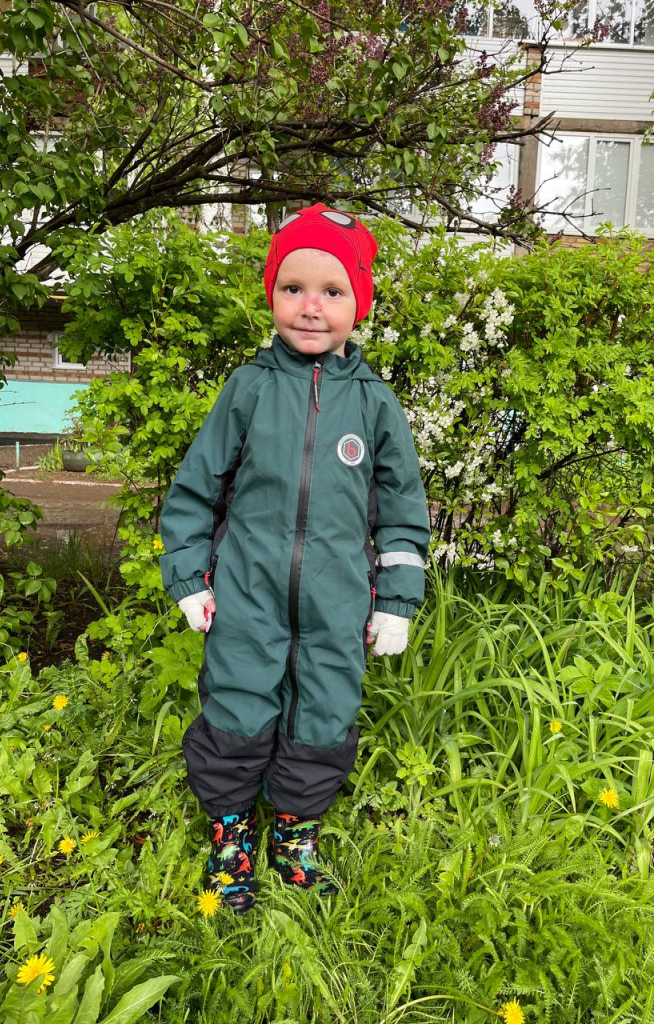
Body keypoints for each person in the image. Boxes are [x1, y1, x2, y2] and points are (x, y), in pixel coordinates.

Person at [158, 204, 430, 912]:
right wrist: (191, 579)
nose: (311, 307)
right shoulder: (247, 389)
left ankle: (295, 831)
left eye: (332, 291)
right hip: (246, 596)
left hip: (338, 604)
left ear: (358, 305)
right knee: (237, 708)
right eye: (293, 288)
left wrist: (395, 601)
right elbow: (196, 491)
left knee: (325, 711)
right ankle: (230, 833)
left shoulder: (376, 404)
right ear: (272, 294)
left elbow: (403, 510)